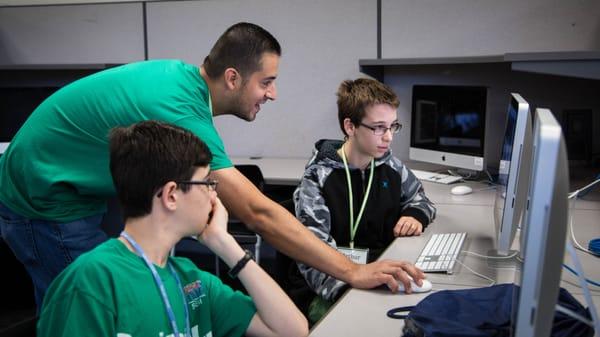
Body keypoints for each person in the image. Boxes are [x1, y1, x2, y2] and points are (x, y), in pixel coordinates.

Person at [0, 22, 420, 311]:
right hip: (44, 194)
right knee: (96, 305)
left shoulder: (185, 83)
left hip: (82, 184)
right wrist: (353, 271)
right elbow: (256, 212)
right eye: (267, 81)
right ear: (233, 78)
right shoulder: (179, 106)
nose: (273, 94)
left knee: (128, 289)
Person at [36, 121, 308, 337]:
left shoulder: (191, 279)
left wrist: (226, 244)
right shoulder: (91, 282)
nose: (215, 197)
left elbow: (292, 330)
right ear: (171, 195)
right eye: (207, 184)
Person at [290, 78, 437, 323]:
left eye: (393, 126)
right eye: (379, 127)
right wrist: (359, 287)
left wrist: (415, 214)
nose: (389, 137)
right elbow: (312, 255)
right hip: (332, 288)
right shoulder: (317, 178)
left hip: (379, 274)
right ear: (350, 127)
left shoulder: (389, 165)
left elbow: (422, 200)